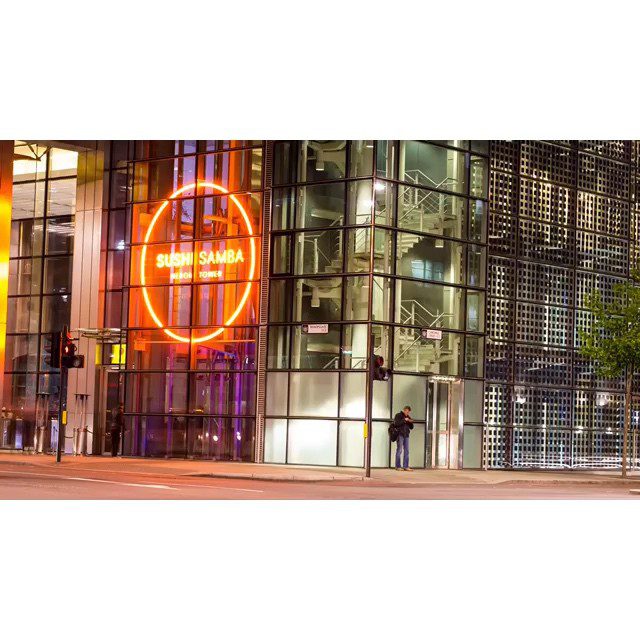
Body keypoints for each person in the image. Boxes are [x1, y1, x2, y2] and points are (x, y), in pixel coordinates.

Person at [393, 405, 414, 471]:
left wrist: (410, 422)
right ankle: (398, 466)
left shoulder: (408, 417)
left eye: (408, 412)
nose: (407, 413)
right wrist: (404, 420)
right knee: (399, 450)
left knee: (407, 451)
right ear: (404, 410)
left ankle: (406, 466)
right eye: (406, 411)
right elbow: (396, 424)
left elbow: (411, 427)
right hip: (400, 435)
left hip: (406, 435)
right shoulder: (398, 415)